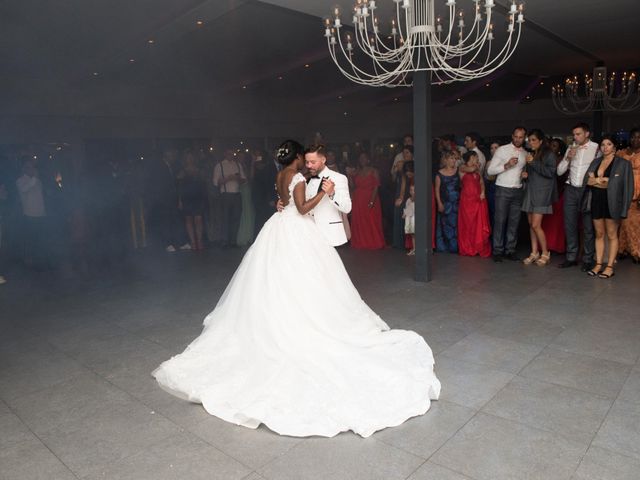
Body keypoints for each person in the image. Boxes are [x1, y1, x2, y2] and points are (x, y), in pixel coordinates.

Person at [152, 139, 441, 438]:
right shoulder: (300, 177)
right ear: (299, 157)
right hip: (299, 229)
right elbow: (302, 209)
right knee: (308, 278)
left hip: (279, 228)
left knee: (279, 278)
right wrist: (322, 195)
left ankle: (284, 317)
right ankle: (305, 321)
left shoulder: (282, 175)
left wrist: (295, 200)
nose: (308, 163)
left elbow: (288, 203)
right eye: (306, 158)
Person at [585, 135, 634, 278]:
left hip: (613, 203)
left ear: (614, 146)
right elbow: (587, 181)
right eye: (603, 144)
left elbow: (627, 188)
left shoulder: (623, 164)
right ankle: (599, 264)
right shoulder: (596, 162)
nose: (605, 147)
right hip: (596, 200)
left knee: (612, 235)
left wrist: (601, 181)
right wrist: (602, 181)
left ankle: (610, 266)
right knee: (599, 234)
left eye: (609, 144)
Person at [556, 123, 600, 271]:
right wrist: (568, 158)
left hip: (587, 190)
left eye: (578, 134)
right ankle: (571, 257)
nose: (575, 137)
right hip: (570, 189)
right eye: (574, 134)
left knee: (588, 226)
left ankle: (588, 259)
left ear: (587, 134)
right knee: (569, 225)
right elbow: (559, 172)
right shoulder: (571, 148)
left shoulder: (597, 148)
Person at [487, 127, 527, 262]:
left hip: (518, 190)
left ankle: (510, 250)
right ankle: (497, 251)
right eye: (516, 136)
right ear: (512, 136)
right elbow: (490, 171)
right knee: (499, 221)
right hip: (502, 189)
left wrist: (524, 175)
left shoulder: (525, 154)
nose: (518, 139)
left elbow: (523, 171)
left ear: (524, 138)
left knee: (514, 222)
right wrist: (506, 165)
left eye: (521, 137)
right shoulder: (502, 150)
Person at [520, 129, 558, 266]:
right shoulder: (532, 154)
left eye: (534, 140)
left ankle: (545, 252)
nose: (531, 142)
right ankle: (534, 252)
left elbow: (550, 173)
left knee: (536, 225)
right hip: (530, 191)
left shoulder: (549, 154)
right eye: (529, 140)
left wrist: (533, 163)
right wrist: (525, 176)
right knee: (531, 225)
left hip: (542, 193)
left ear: (541, 141)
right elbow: (533, 175)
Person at [457, 151, 491, 257]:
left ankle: (477, 248)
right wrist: (476, 166)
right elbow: (471, 169)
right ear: (470, 158)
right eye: (475, 157)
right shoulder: (462, 167)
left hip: (478, 200)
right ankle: (468, 247)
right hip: (467, 201)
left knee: (478, 224)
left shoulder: (477, 170)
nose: (477, 159)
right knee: (468, 224)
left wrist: (482, 192)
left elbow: (481, 182)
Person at [350, 152, 385, 249]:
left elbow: (376, 187)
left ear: (368, 160)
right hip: (358, 199)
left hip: (370, 198)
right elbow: (352, 186)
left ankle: (374, 242)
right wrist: (349, 176)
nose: (362, 160)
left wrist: (371, 201)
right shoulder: (357, 171)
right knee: (360, 221)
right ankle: (360, 242)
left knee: (371, 221)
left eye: (364, 158)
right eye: (360, 158)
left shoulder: (374, 171)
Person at [213, 149, 246, 248]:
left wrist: (238, 178)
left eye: (232, 153)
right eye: (229, 153)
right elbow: (215, 182)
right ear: (225, 154)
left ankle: (233, 241)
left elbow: (244, 179)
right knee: (225, 218)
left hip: (237, 194)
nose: (231, 155)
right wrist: (227, 179)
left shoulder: (237, 165)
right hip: (226, 194)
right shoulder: (220, 165)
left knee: (236, 218)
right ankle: (224, 241)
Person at [618, 127, 640, 263]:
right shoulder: (621, 153)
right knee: (622, 222)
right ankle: (623, 248)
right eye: (633, 137)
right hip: (623, 189)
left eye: (638, 137)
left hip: (637, 191)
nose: (635, 140)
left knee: (634, 223)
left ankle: (636, 251)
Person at [178, 150, 208, 251]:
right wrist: (180, 200)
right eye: (188, 158)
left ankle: (199, 240)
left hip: (198, 197)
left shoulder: (199, 170)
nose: (189, 159)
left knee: (198, 219)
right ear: (185, 159)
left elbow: (204, 184)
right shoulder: (182, 171)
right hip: (187, 197)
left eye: (191, 157)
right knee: (189, 220)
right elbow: (179, 187)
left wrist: (204, 197)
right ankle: (193, 241)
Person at [542, 138, 568, 253]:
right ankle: (545, 245)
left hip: (559, 193)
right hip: (547, 194)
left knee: (556, 222)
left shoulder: (561, 160)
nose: (552, 147)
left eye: (555, 146)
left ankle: (556, 246)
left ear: (559, 149)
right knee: (546, 221)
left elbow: (562, 177)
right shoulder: (546, 158)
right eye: (551, 145)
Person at [435, 151, 460, 253]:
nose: (453, 160)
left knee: (456, 225)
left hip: (457, 202)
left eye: (455, 158)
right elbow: (437, 190)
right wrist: (439, 203)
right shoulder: (439, 174)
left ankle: (456, 247)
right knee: (445, 226)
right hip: (446, 203)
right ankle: (445, 247)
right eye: (451, 158)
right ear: (446, 160)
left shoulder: (458, 171)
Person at [403, 184, 415, 255]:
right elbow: (407, 209)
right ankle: (414, 248)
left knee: (417, 235)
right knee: (413, 235)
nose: (412, 192)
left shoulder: (419, 200)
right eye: (411, 190)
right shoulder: (408, 200)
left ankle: (417, 249)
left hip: (416, 219)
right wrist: (404, 214)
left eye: (414, 190)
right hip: (411, 219)